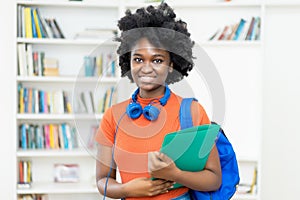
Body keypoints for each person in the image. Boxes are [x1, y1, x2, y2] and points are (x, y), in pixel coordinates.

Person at [95, 3, 221, 200]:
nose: (146, 68)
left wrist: (175, 174)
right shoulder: (113, 116)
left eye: (157, 60)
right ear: (128, 62)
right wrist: (127, 190)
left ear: (171, 65)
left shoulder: (193, 111)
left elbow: (213, 178)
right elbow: (102, 180)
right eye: (138, 59)